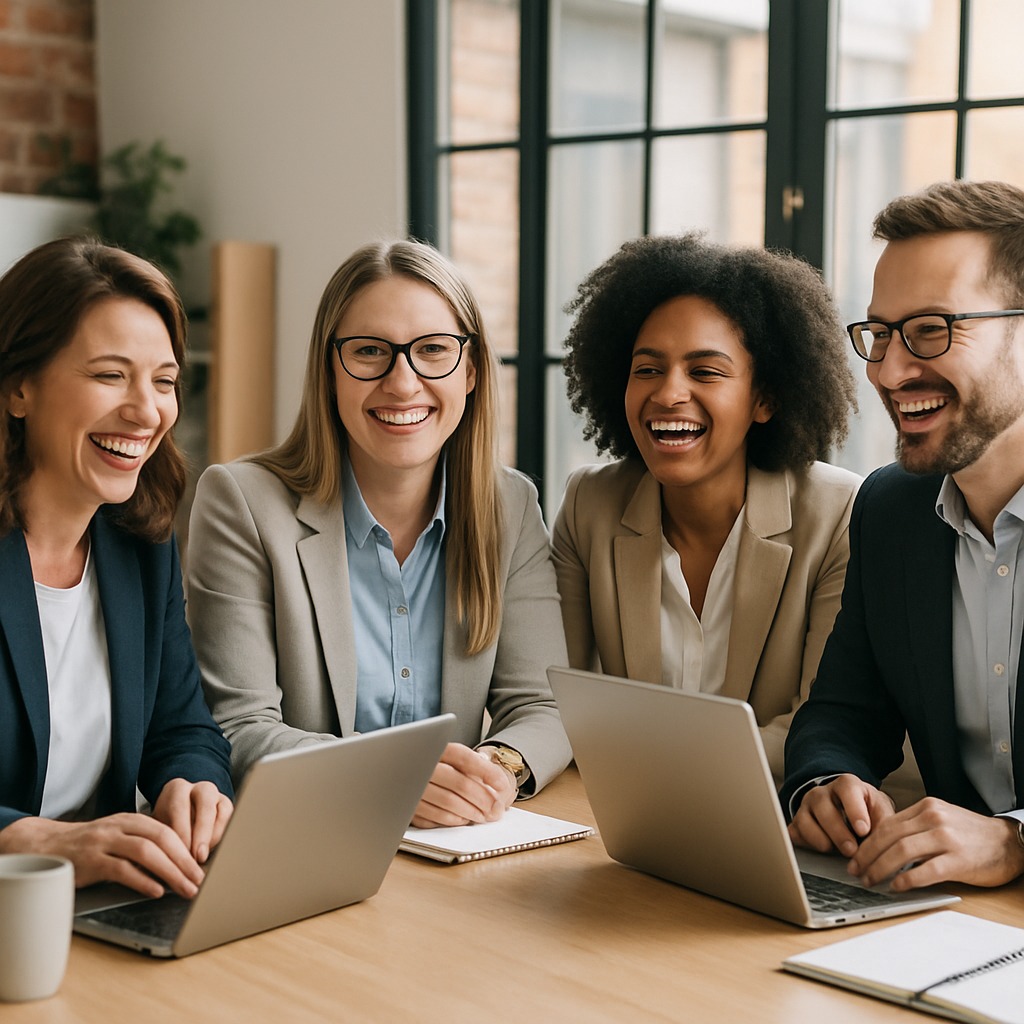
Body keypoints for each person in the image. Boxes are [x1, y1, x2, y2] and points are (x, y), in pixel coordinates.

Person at [186, 240, 572, 828]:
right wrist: (391, 778)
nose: (402, 381)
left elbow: (542, 705)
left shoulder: (509, 505)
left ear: (470, 372)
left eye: (432, 351)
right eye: (369, 352)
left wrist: (496, 765)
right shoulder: (241, 502)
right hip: (308, 843)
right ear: (328, 370)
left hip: (451, 849)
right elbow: (237, 731)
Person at [552, 232, 862, 787]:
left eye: (705, 371)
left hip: (771, 824)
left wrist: (651, 763)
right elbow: (554, 696)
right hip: (624, 825)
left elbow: (819, 727)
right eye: (647, 368)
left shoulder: (838, 514)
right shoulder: (589, 506)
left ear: (764, 398)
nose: (669, 393)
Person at [783, 179, 1024, 891]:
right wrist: (827, 783)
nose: (888, 371)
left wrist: (1015, 840)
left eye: (931, 330)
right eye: (880, 333)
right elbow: (843, 710)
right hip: (947, 918)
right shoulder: (891, 509)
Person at [0, 237, 233, 900]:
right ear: (19, 387)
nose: (147, 410)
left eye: (163, 381)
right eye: (110, 375)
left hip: (96, 909)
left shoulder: (140, 547)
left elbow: (183, 727)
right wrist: (31, 840)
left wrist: (194, 787)